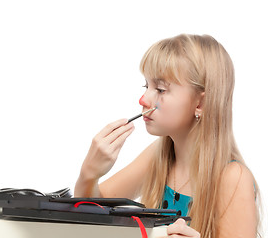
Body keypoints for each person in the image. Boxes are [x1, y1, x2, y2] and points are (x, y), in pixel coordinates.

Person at [74, 34, 260, 238]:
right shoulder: (158, 155)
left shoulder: (233, 178)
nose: (143, 99)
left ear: (201, 104)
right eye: (147, 86)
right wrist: (89, 173)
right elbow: (88, 215)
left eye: (160, 89)